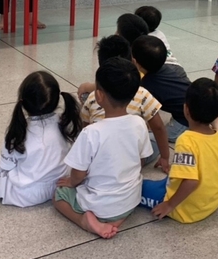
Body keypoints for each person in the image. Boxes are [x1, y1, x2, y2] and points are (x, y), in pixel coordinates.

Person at [54, 58, 152, 239]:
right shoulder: (139, 123)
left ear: (99, 96)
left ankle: (84, 221)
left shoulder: (91, 132)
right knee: (121, 202)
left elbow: (78, 173)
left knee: (59, 196)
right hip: (131, 198)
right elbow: (142, 160)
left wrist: (72, 182)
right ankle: (117, 220)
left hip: (99, 203)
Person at [141, 79, 218, 223]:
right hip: (210, 203)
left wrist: (169, 205)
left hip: (185, 210)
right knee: (172, 179)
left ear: (186, 109)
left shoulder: (186, 141)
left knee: (138, 188)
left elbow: (191, 181)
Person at [0, 71, 81, 207]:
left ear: (22, 102)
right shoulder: (66, 123)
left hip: (27, 193)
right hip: (60, 184)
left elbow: (6, 166)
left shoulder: (18, 132)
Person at [79, 39, 171, 174]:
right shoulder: (142, 94)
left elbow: (85, 129)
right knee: (151, 138)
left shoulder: (93, 97)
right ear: (133, 62)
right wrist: (165, 157)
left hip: (100, 158)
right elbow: (158, 127)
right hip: (132, 161)